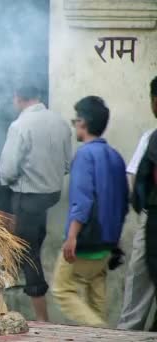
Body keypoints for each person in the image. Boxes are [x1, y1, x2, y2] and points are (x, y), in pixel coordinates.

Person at [52, 96, 128, 327]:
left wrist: (72, 237)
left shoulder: (85, 155)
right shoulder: (115, 156)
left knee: (62, 290)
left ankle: (104, 334)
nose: (74, 124)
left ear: (83, 122)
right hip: (107, 243)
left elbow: (82, 201)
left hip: (86, 242)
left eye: (75, 120)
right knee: (96, 301)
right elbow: (124, 202)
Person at [0, 82, 72, 322]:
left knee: (27, 253)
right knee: (29, 246)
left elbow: (8, 170)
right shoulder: (60, 122)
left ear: (18, 98)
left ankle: (42, 318)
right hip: (50, 196)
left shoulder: (20, 125)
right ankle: (3, 304)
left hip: (27, 197)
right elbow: (66, 164)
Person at [118, 76, 157, 331]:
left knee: (142, 276)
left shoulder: (151, 138)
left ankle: (127, 333)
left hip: (153, 217)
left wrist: (142, 207)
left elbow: (134, 177)